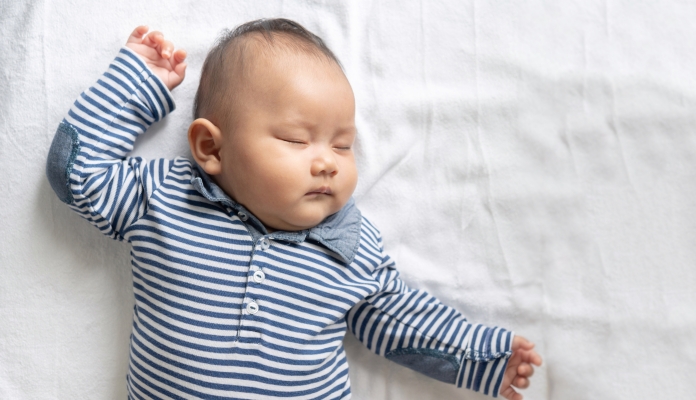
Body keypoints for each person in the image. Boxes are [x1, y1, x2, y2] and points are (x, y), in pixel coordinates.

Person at [45, 19, 541, 399]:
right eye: (295, 139)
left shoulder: (350, 245)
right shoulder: (167, 199)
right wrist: (136, 85)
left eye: (343, 146)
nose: (326, 161)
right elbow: (77, 172)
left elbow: (399, 321)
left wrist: (485, 358)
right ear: (211, 149)